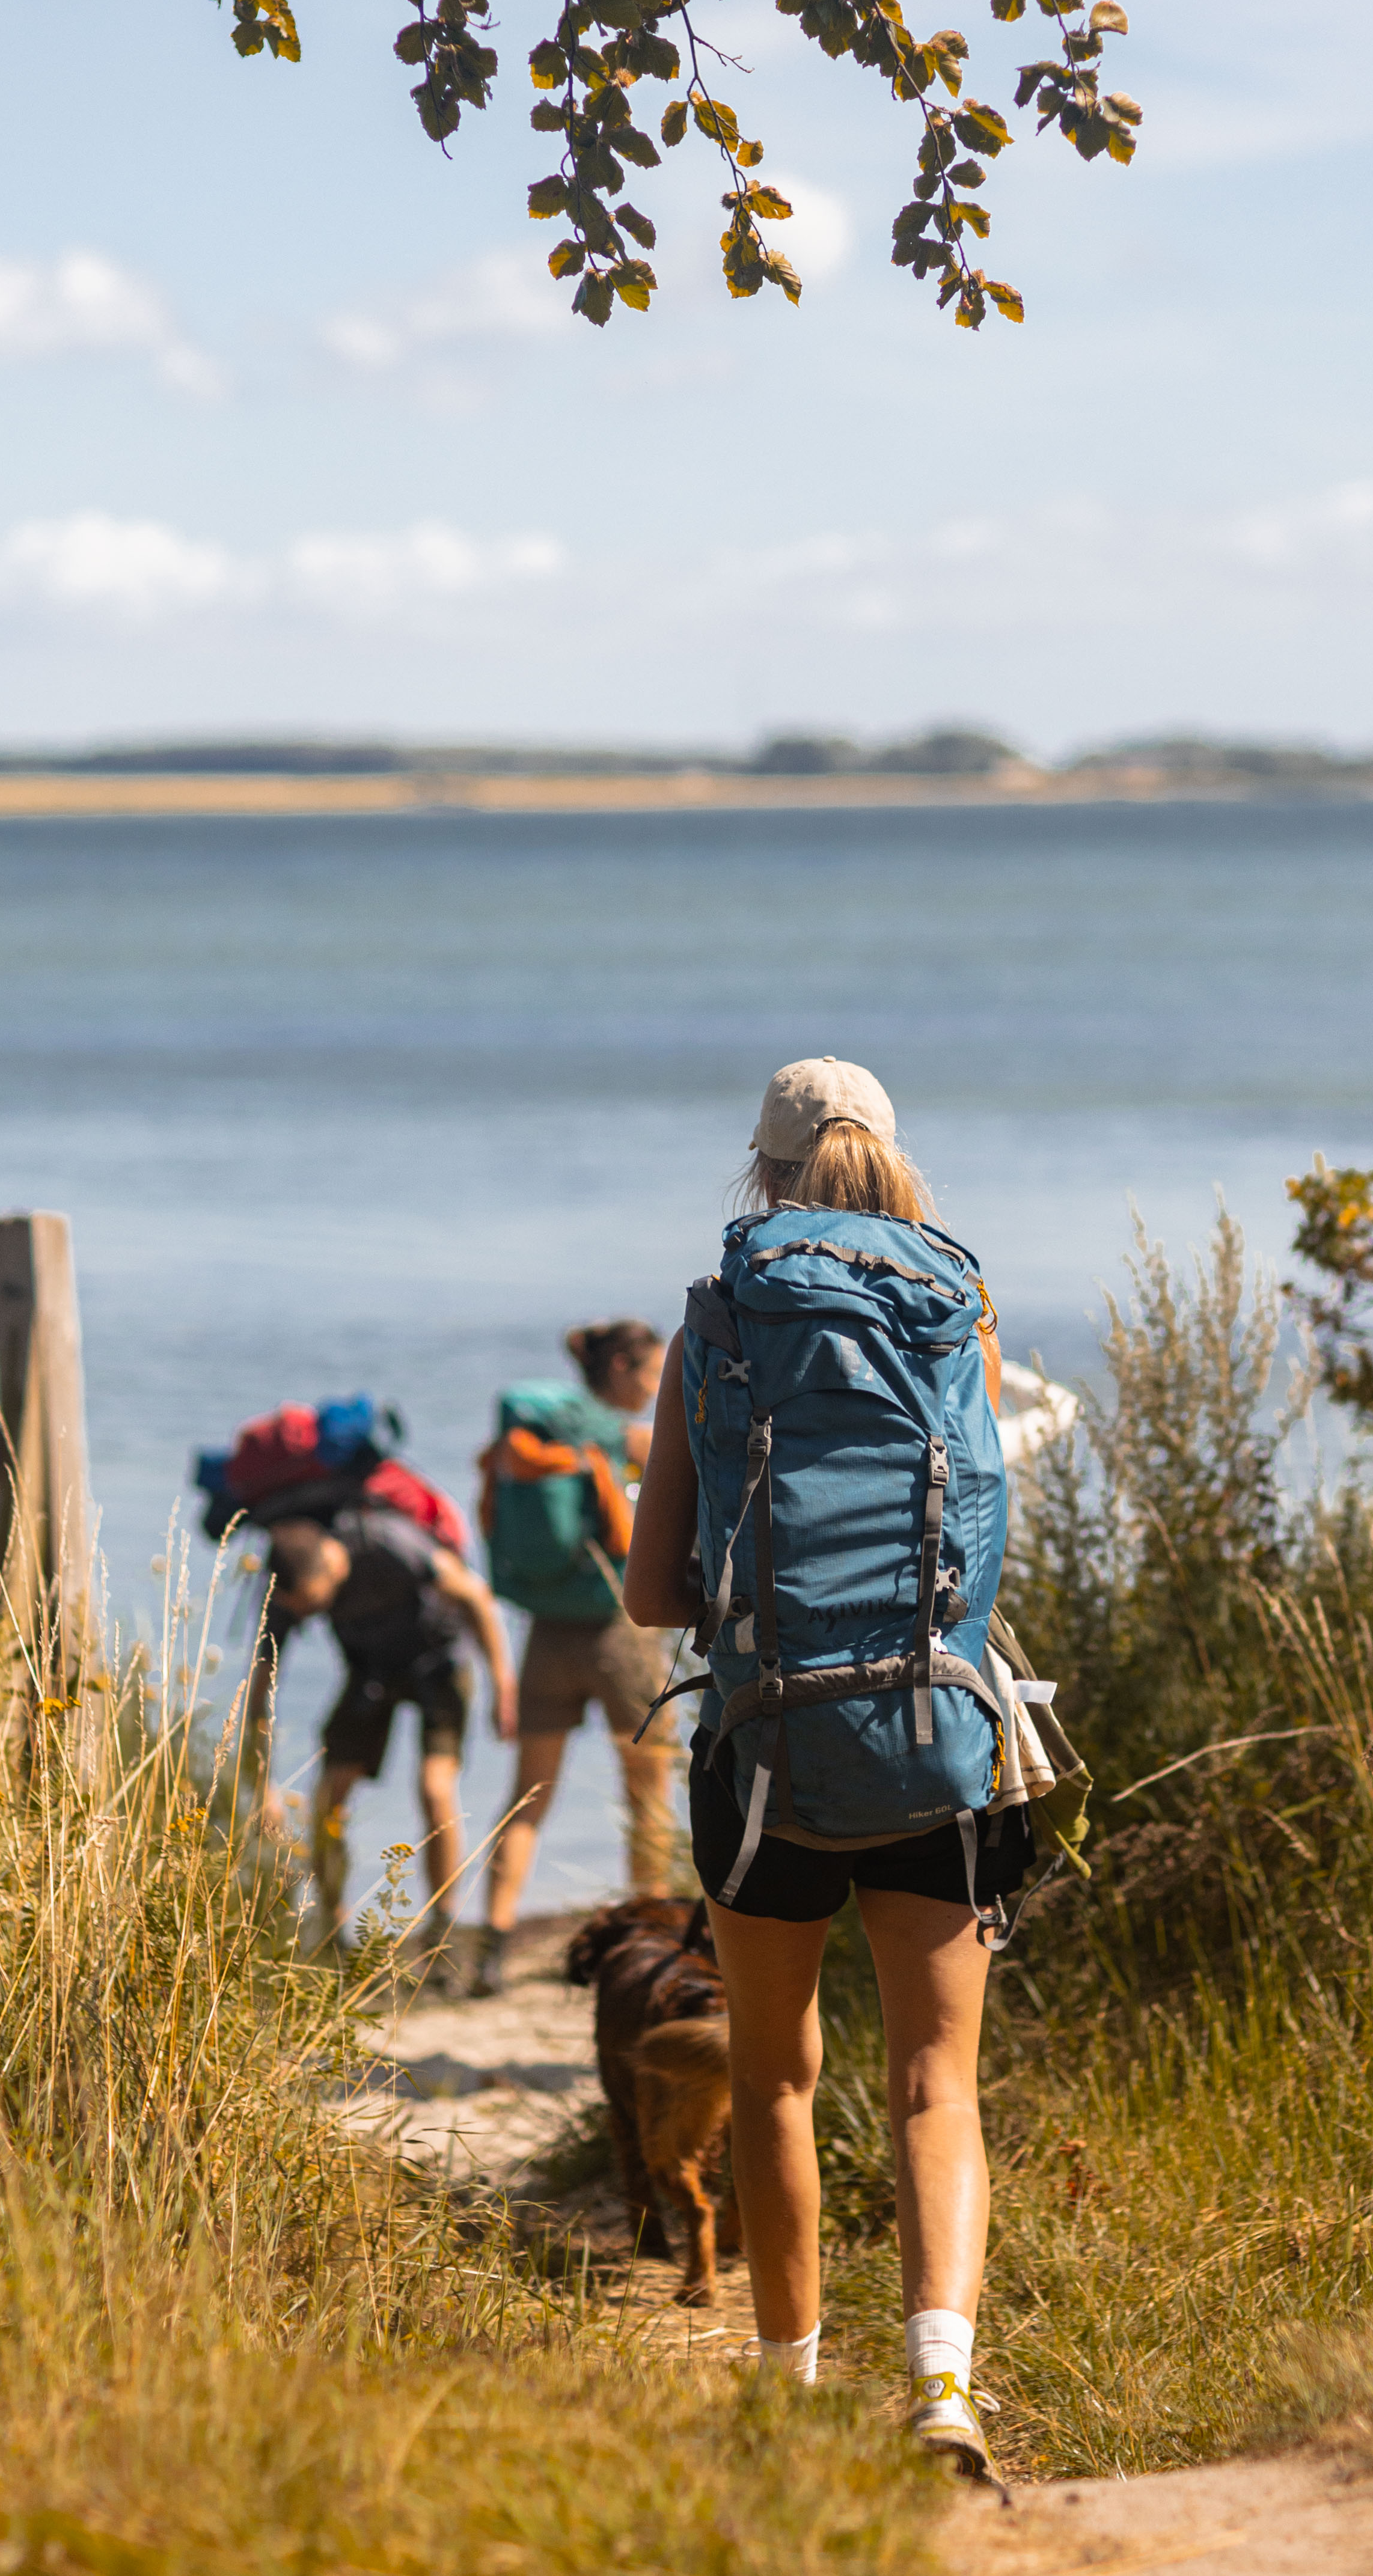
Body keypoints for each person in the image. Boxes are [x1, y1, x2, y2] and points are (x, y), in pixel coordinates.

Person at [623, 1058, 1031, 2481]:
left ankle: (791, 2402)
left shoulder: (716, 1324)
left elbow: (650, 1595)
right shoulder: (957, 1315)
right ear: (890, 1161)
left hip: (764, 1756)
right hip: (937, 1742)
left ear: (767, 1177)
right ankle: (941, 2390)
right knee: (937, 2082)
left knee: (778, 2076)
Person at [472, 1319, 679, 1995]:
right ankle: (649, 1927)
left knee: (528, 1795)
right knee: (648, 1788)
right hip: (618, 1634)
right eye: (649, 1374)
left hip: (545, 1634)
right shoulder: (617, 1435)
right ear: (619, 1367)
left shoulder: (533, 1437)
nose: (653, 1388)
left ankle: (492, 1946)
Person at [242, 1497, 518, 1973]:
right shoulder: (287, 1589)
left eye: (313, 1604)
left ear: (329, 1565)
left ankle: (441, 1932)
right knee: (329, 1797)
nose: (307, 1616)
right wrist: (262, 1780)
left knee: (435, 1788)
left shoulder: (388, 1543)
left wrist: (503, 1686)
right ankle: (333, 1931)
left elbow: (474, 1595)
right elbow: (261, 1688)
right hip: (370, 1672)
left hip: (439, 1661)